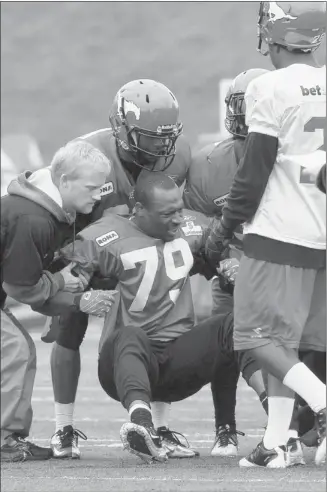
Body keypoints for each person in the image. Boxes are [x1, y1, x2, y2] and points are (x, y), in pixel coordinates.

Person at [60, 172, 264, 463]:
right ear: (140, 211)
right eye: (168, 213)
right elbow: (57, 281)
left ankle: (280, 418)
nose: (179, 219)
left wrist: (228, 261)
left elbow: (222, 245)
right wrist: (81, 299)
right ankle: (143, 426)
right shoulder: (105, 235)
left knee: (231, 325)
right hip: (122, 365)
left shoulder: (193, 225)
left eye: (180, 210)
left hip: (177, 363)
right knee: (132, 334)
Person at [45, 79, 197, 459]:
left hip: (143, 253)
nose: (160, 148)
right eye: (148, 138)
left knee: (163, 327)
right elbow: (62, 221)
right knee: (68, 327)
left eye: (165, 138)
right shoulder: (88, 154)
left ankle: (158, 428)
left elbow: (174, 216)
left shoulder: (177, 159)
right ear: (121, 128)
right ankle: (63, 428)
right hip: (86, 251)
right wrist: (62, 282)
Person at [205, 1, 326, 468]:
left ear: (273, 35)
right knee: (286, 341)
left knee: (255, 337)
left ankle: (320, 400)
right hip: (320, 232)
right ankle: (278, 441)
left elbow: (254, 173)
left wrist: (225, 226)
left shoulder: (270, 87)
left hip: (278, 232)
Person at [0, 140, 114, 462]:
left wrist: (74, 302)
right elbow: (23, 288)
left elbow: (36, 285)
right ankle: (6, 441)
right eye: (91, 187)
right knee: (15, 350)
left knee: (15, 348)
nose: (98, 195)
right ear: (63, 182)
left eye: (101, 187)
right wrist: (65, 285)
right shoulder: (32, 218)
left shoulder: (46, 210)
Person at [183, 68, 269, 457]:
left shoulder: (299, 159)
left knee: (301, 344)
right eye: (244, 106)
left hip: (286, 267)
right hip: (231, 269)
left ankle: (294, 422)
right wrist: (224, 261)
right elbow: (198, 227)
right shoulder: (209, 165)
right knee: (226, 341)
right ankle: (226, 429)